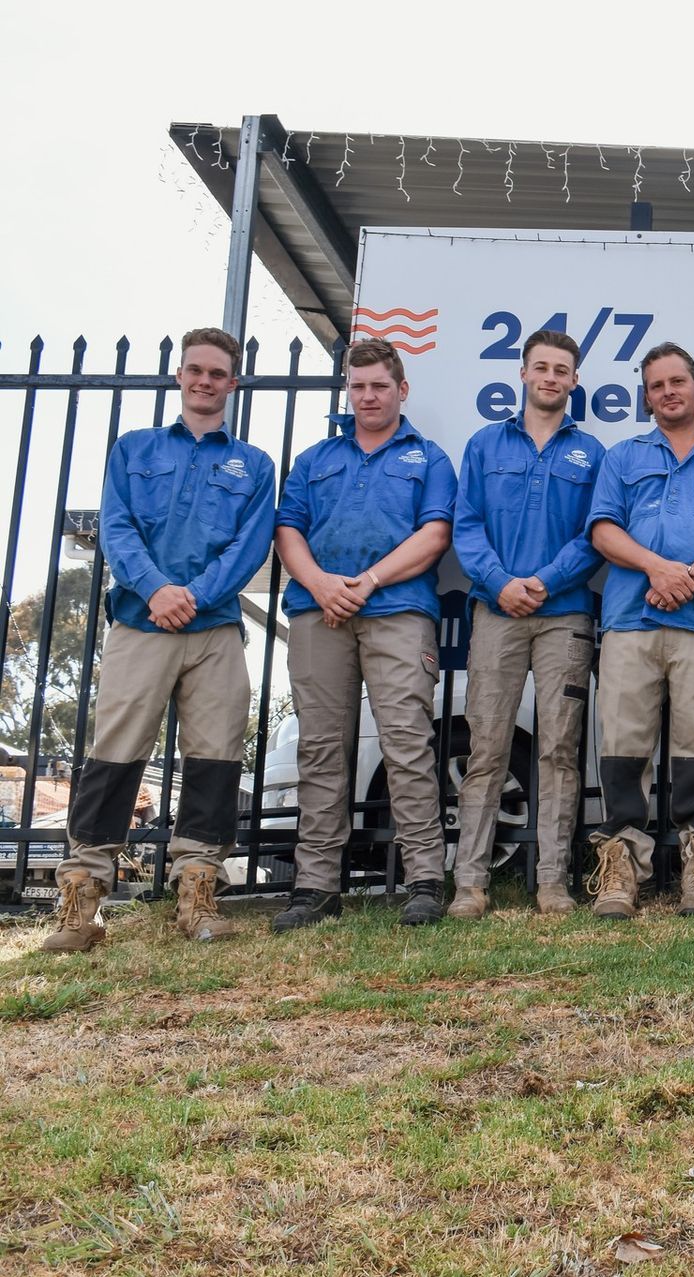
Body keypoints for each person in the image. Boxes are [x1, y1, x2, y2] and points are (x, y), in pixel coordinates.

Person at [42, 327, 275, 951]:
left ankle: (197, 892)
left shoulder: (253, 465)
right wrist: (156, 590)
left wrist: (194, 595)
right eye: (195, 370)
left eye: (217, 373)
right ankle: (82, 899)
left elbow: (250, 544)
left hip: (215, 628)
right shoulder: (133, 448)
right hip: (141, 622)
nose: (205, 381)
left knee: (217, 757)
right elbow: (116, 529)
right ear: (180, 376)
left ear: (233, 383)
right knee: (114, 753)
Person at [271, 337, 457, 931]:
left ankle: (424, 878)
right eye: (358, 386)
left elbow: (435, 535)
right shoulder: (315, 459)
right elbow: (287, 529)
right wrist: (323, 586)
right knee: (322, 749)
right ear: (347, 391)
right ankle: (316, 885)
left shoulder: (429, 458)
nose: (368, 396)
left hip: (398, 610)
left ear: (402, 390)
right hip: (317, 612)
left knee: (407, 743)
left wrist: (368, 580)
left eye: (380, 385)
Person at [585, 342, 694, 917]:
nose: (668, 391)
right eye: (656, 385)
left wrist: (689, 575)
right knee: (622, 747)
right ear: (647, 397)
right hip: (629, 620)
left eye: (677, 381)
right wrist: (656, 568)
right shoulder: (623, 458)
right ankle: (619, 870)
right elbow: (602, 530)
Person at [448, 329, 604, 918]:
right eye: (541, 367)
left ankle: (552, 882)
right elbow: (466, 525)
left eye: (562, 370)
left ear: (574, 381)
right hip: (497, 612)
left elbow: (596, 533)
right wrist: (501, 583)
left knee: (560, 749)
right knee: (487, 747)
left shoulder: (592, 454)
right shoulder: (485, 446)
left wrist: (544, 581)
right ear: (522, 373)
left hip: (564, 615)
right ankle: (470, 884)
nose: (551, 377)